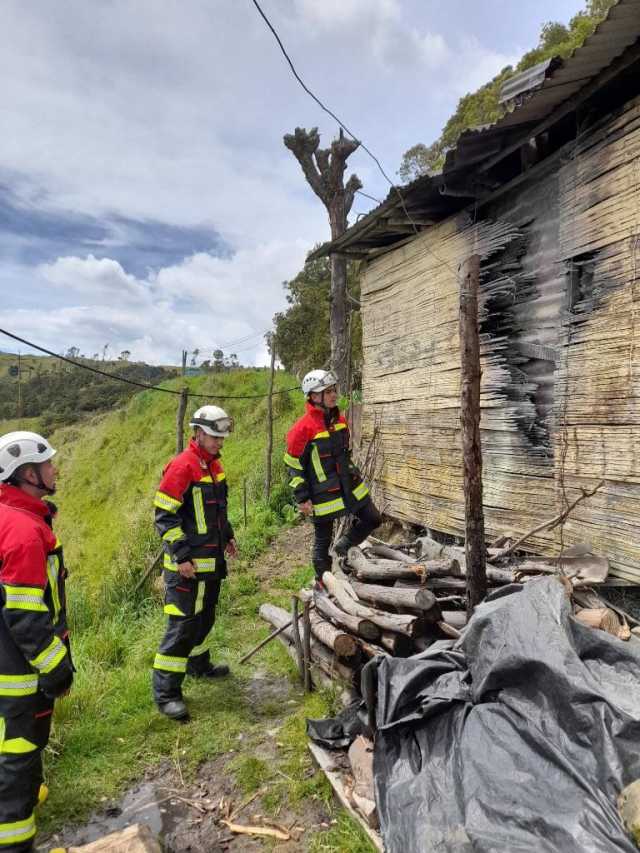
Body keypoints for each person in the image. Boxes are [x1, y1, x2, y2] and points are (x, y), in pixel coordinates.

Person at [0, 431, 74, 853]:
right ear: (27, 474)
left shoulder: (12, 516)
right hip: (16, 672)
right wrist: (56, 667)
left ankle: (29, 792)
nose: (54, 469)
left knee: (16, 756)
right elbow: (26, 617)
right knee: (16, 757)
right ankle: (16, 843)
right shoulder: (24, 532)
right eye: (47, 464)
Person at [152, 405, 237, 721]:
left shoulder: (214, 466)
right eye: (214, 437)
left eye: (221, 437)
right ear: (198, 433)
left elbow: (218, 510)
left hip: (211, 561)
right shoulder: (182, 466)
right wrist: (182, 556)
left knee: (205, 618)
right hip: (187, 567)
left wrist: (227, 535)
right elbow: (165, 516)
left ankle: (198, 665)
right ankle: (166, 693)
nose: (219, 442)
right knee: (182, 627)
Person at [285, 370, 381, 587]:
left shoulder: (340, 420)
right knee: (322, 542)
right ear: (313, 396)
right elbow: (293, 465)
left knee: (373, 518)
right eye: (327, 392)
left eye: (334, 390)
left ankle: (342, 547)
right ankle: (324, 584)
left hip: (350, 485)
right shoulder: (301, 429)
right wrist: (302, 497)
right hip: (323, 493)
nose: (334, 395)